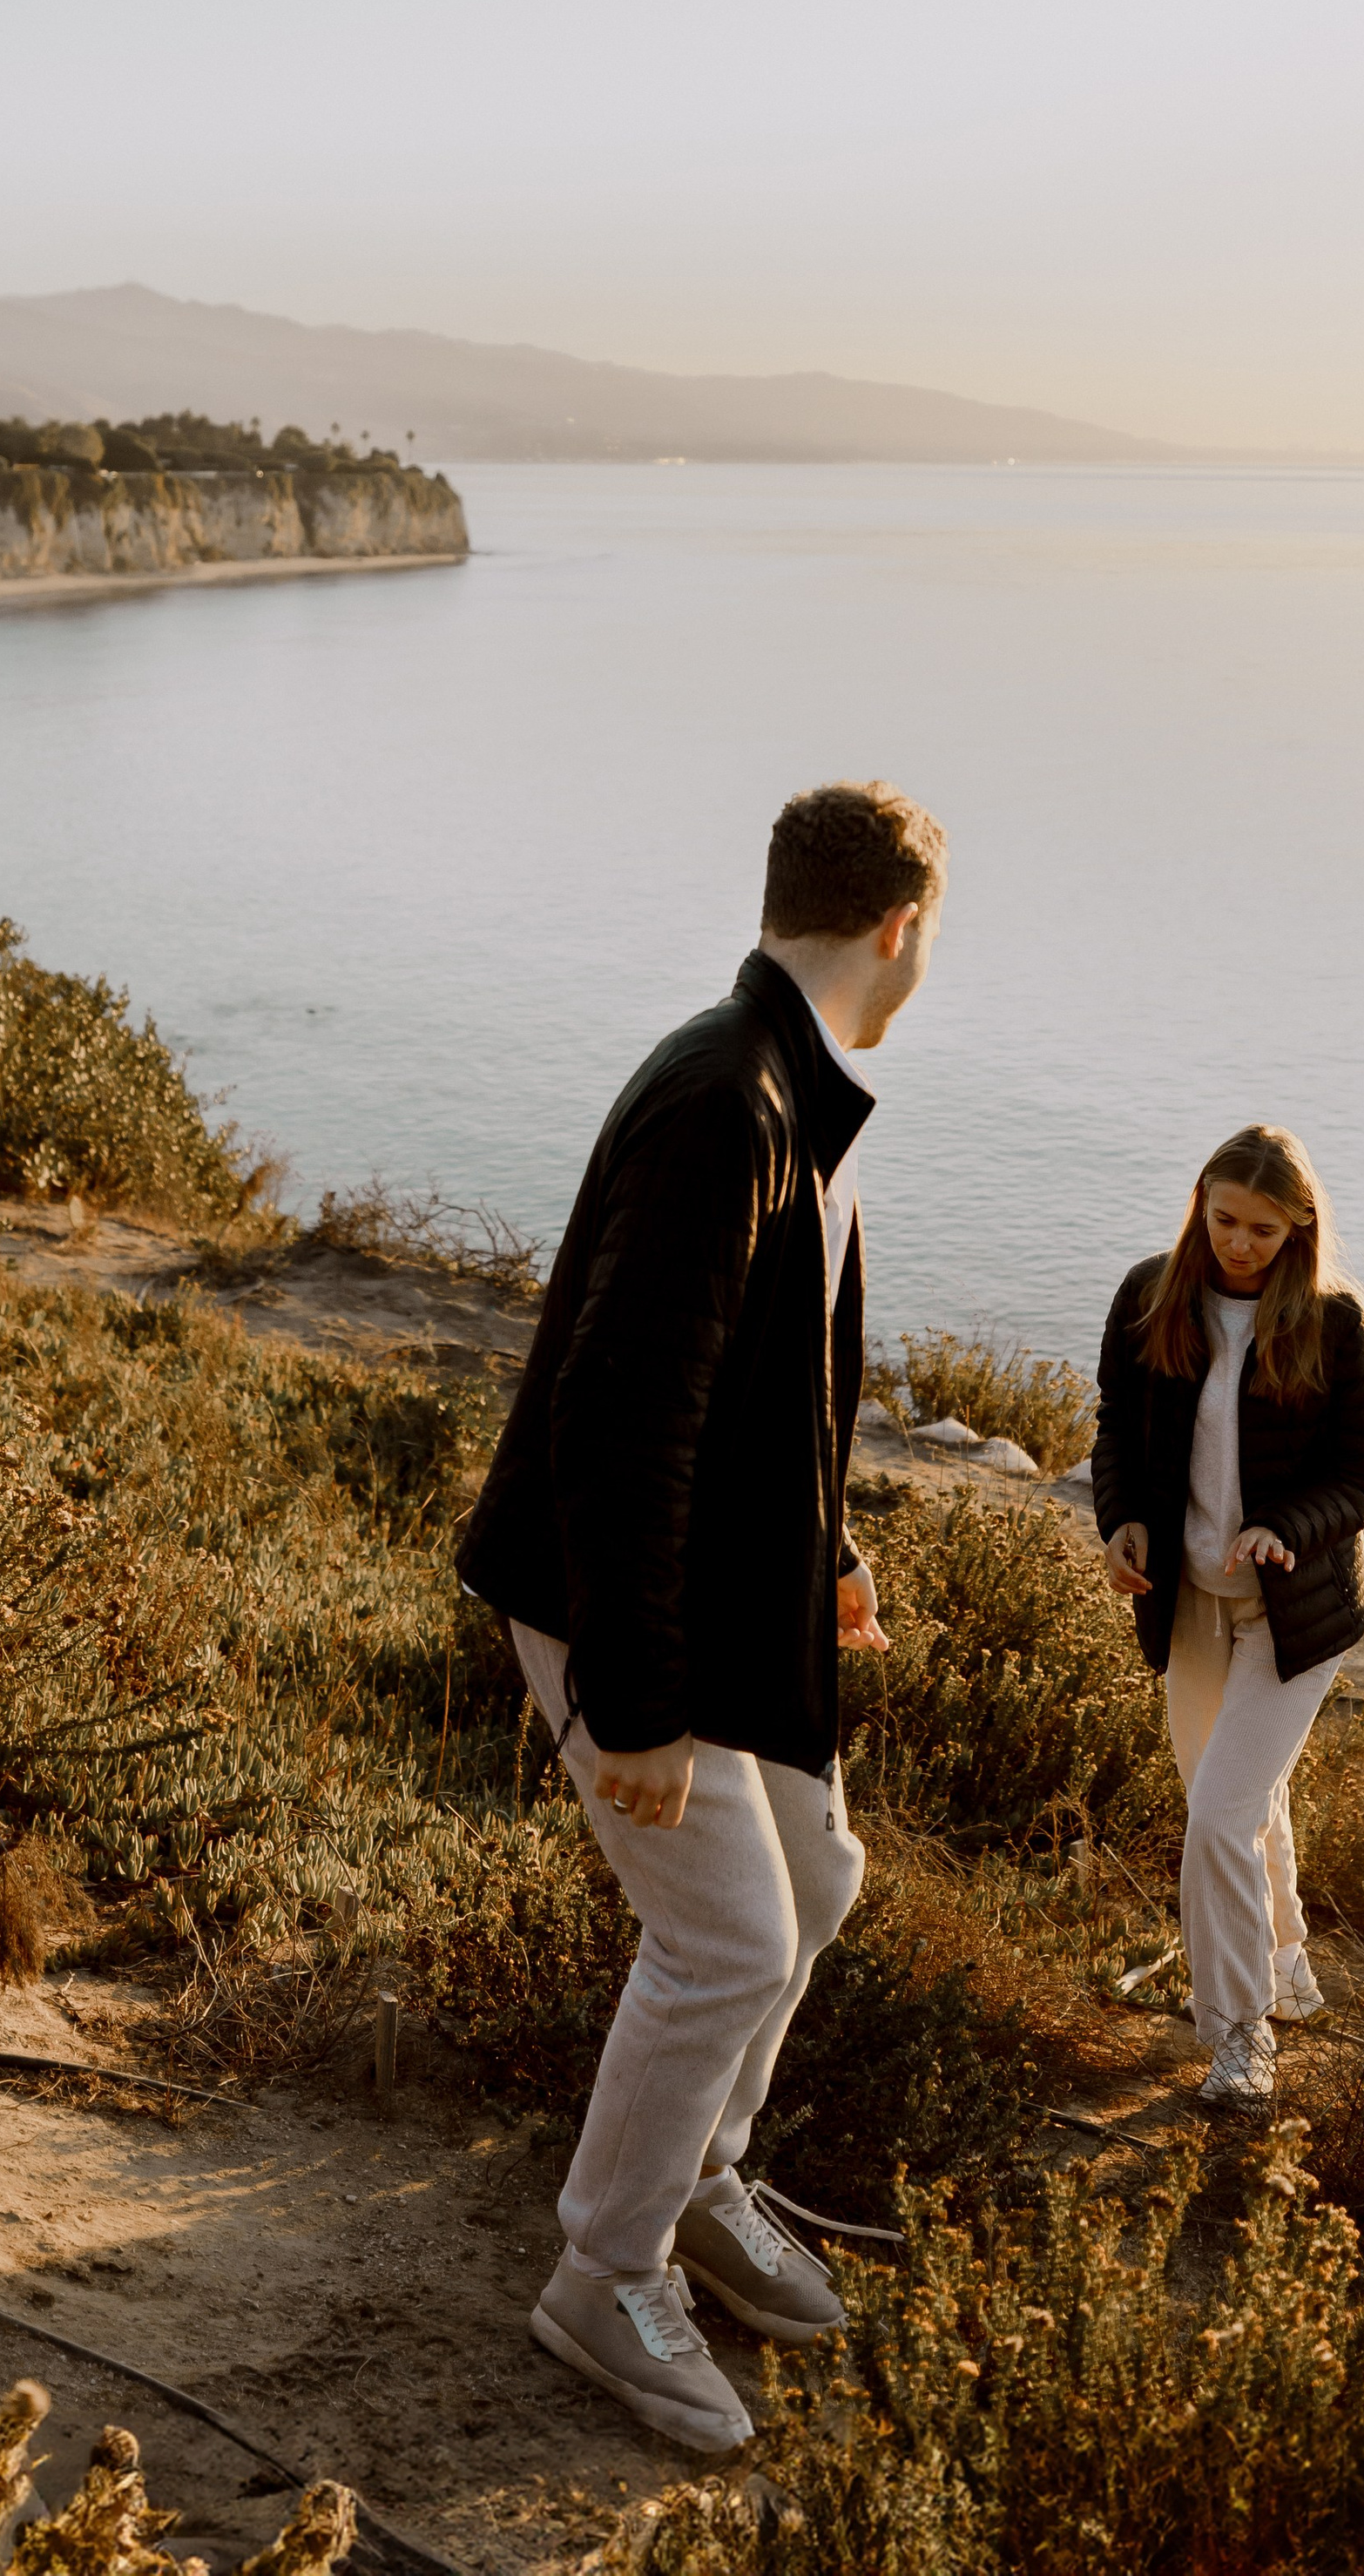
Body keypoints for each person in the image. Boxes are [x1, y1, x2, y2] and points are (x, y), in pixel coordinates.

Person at [457, 779, 948, 2451]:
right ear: (903, 928)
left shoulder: (789, 1089)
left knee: (815, 1878)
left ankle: (708, 2181)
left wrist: (823, 1548)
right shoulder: (725, 1103)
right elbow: (621, 1416)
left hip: (711, 1587)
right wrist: (642, 1698)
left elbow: (754, 1386)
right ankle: (605, 2270)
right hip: (608, 1603)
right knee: (727, 1934)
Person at [1090, 1124, 1364, 2107]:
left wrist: (1277, 1529)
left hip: (1294, 1613)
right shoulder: (1149, 1296)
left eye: (1262, 1228)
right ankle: (1289, 1965)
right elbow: (1116, 1433)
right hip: (1188, 1607)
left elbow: (1358, 1477)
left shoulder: (1338, 1326)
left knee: (1216, 1817)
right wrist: (1123, 1523)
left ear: (1300, 1224)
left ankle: (1238, 2038)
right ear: (1199, 1204)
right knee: (1238, 1801)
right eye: (1223, 1220)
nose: (1239, 1243)